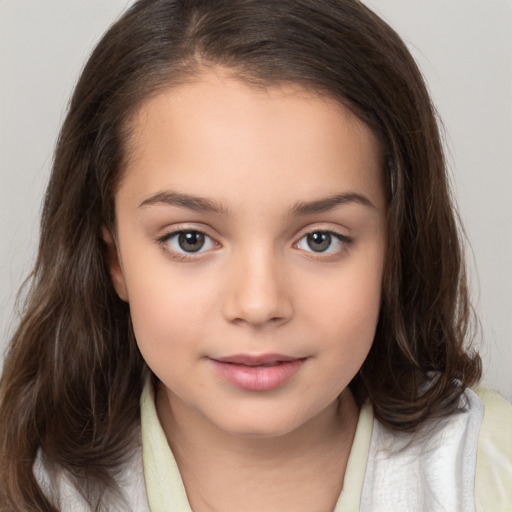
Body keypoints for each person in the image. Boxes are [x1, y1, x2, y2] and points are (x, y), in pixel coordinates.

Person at [0, 0, 510, 510]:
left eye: (320, 239)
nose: (259, 303)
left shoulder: (492, 469)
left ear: (392, 248)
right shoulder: (25, 483)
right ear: (115, 261)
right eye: (190, 239)